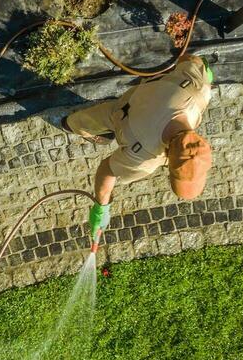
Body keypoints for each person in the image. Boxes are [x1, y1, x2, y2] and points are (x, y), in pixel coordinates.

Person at [60, 54, 215, 246]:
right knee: (89, 121)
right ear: (168, 161)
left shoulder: (198, 92)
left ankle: (71, 123)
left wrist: (201, 75)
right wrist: (101, 207)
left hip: (140, 95)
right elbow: (106, 171)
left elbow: (190, 59)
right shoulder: (144, 159)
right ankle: (70, 124)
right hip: (118, 116)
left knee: (87, 119)